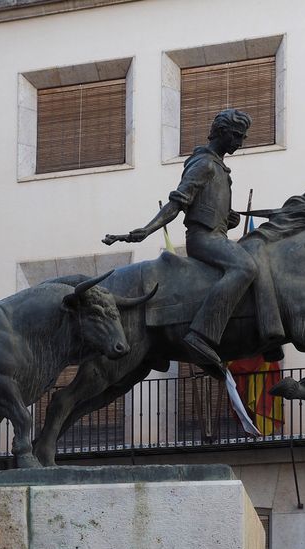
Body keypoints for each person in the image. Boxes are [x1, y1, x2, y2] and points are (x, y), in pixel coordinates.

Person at [104, 108, 262, 365]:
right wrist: (147, 229)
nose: (239, 142)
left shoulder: (220, 168)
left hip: (217, 236)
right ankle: (202, 334)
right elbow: (178, 202)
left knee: (260, 255)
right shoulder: (204, 164)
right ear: (221, 132)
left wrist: (228, 217)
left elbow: (209, 206)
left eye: (242, 137)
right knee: (245, 267)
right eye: (236, 135)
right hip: (204, 239)